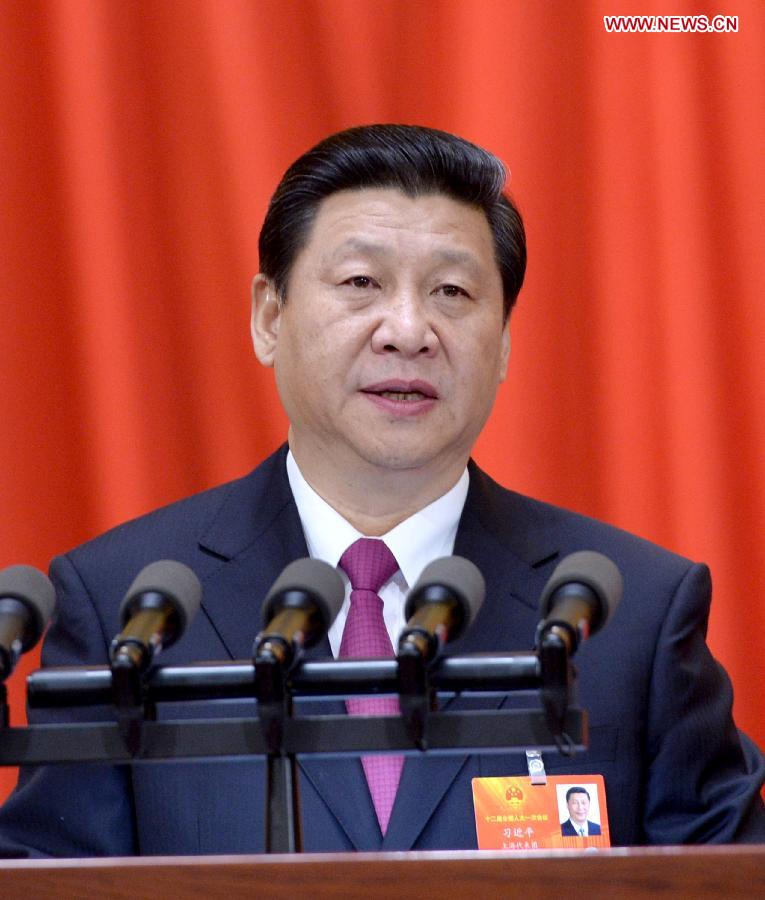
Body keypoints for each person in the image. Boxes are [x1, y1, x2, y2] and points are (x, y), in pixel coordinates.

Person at [0, 124, 763, 856]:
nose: (407, 329)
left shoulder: (631, 616)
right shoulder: (122, 607)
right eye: (361, 283)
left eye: (452, 293)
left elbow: (726, 876)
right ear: (269, 316)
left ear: (501, 344)